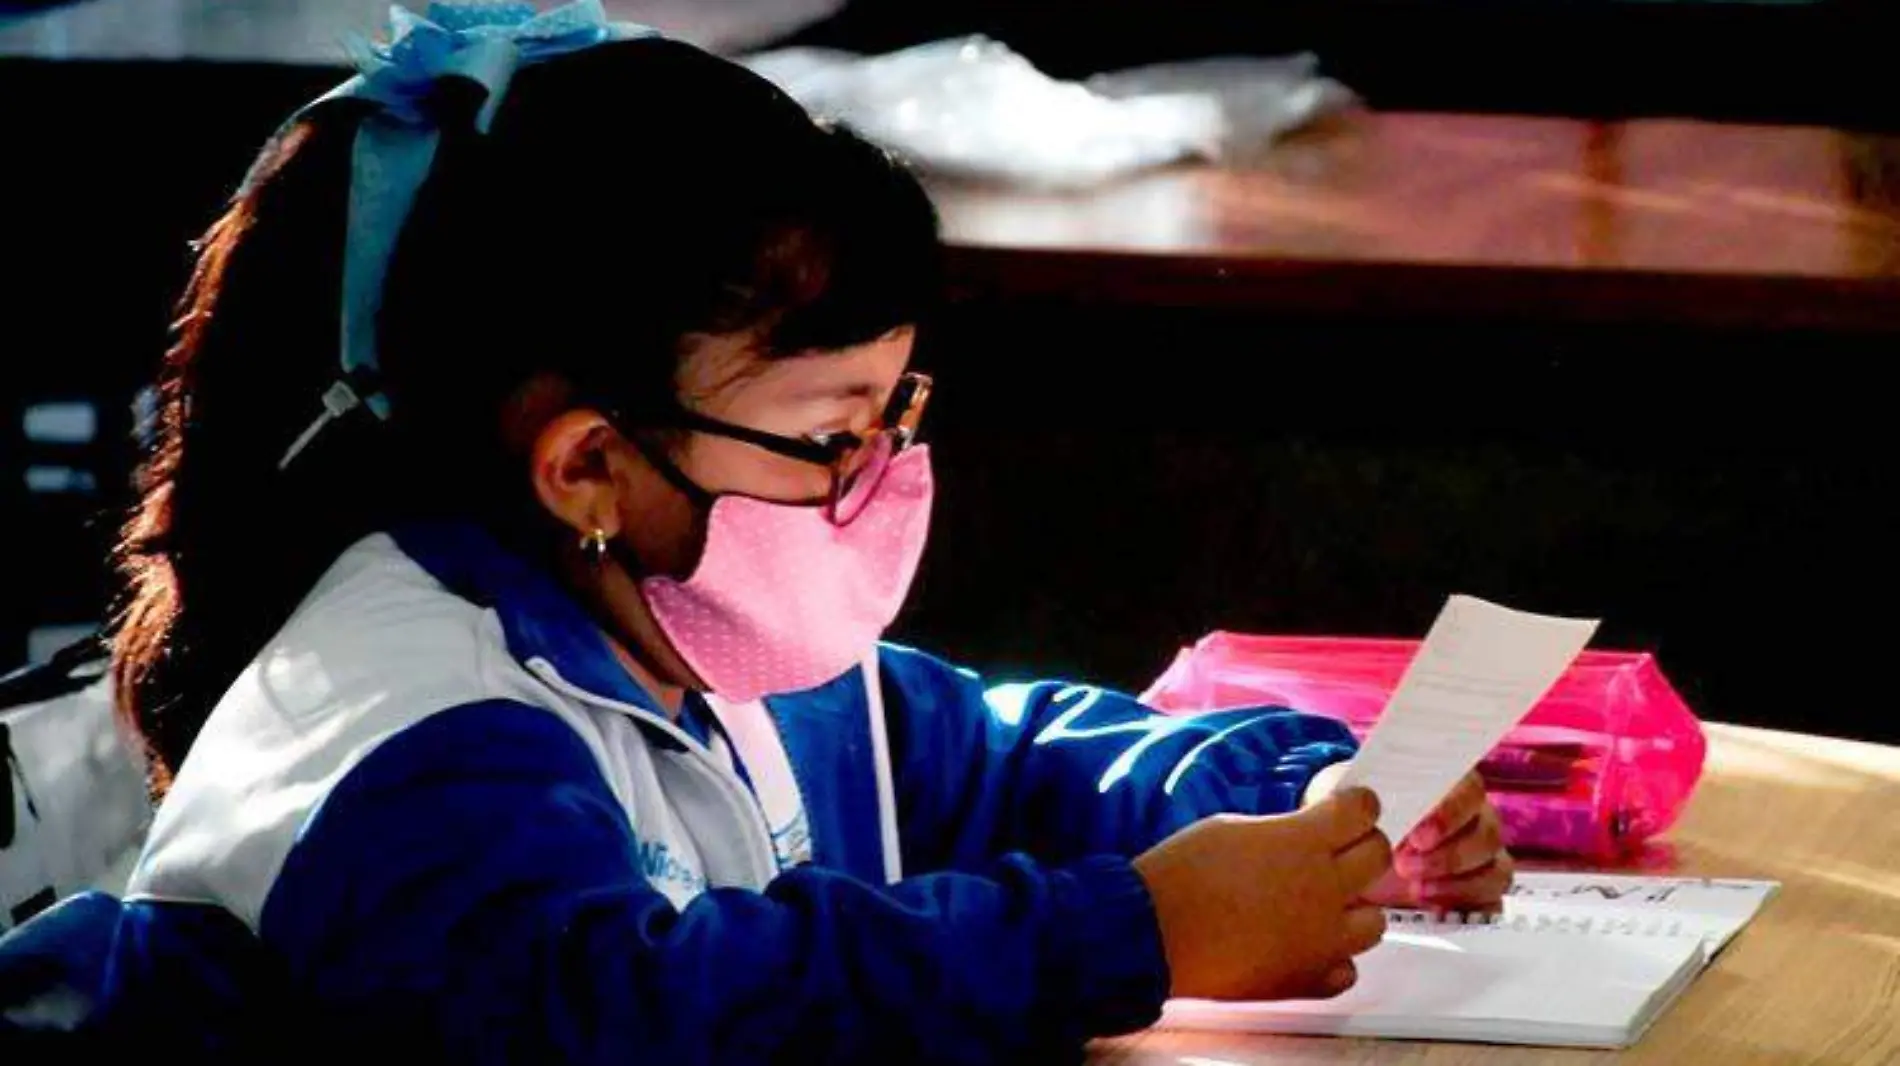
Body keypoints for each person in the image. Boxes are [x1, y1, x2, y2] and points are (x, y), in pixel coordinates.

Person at [73, 3, 1511, 1061]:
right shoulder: (407, 738)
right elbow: (640, 1014)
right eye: (830, 439)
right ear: (589, 465)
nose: (878, 481)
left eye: (894, 418)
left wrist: (1313, 805)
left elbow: (991, 755)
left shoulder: (683, 623)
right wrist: (1131, 934)